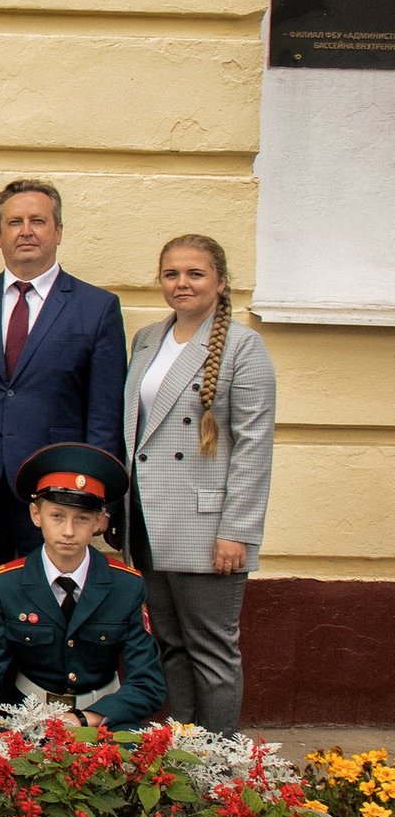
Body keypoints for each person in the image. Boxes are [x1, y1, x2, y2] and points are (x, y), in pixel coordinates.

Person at [0, 179, 125, 687]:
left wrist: (97, 501)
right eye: (15, 222)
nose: (26, 231)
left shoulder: (95, 307)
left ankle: (36, 721)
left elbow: (103, 416)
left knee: (45, 600)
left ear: (58, 232)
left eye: (37, 221)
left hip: (56, 492)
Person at [121, 234, 275, 735]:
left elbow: (254, 447)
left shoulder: (243, 347)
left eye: (195, 274)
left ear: (221, 281)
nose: (181, 284)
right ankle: (182, 746)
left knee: (211, 648)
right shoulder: (147, 338)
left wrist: (239, 530)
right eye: (171, 274)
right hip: (148, 519)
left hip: (207, 527)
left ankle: (220, 759)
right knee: (169, 642)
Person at [0, 443, 165, 757]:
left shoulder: (125, 585)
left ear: (100, 522)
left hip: (102, 720)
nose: (68, 531)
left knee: (135, 769)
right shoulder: (6, 582)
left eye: (82, 519)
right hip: (27, 719)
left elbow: (148, 682)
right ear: (36, 514)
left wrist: (86, 719)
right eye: (57, 516)